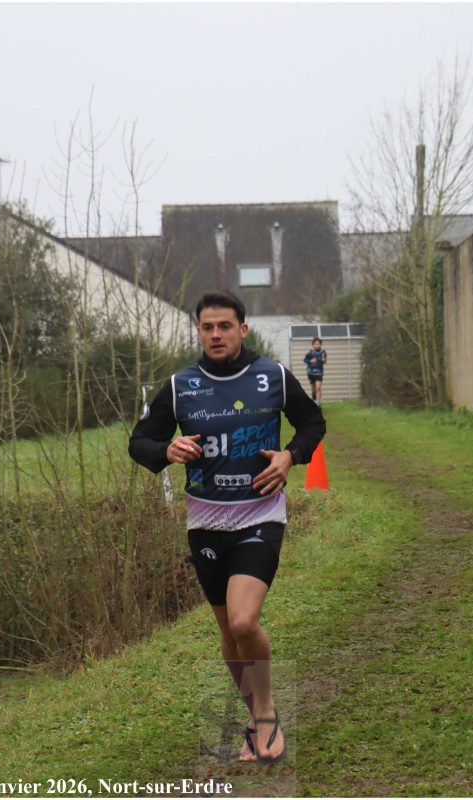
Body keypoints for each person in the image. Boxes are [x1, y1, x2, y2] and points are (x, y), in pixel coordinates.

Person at [128, 290, 325, 765]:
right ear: (198, 331)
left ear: (243, 329)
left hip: (260, 515)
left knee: (243, 621)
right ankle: (257, 720)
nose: (216, 335)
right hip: (205, 522)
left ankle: (266, 715)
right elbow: (140, 442)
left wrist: (289, 456)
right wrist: (167, 450)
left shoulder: (273, 376)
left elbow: (312, 424)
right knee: (227, 629)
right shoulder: (180, 386)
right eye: (207, 327)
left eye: (225, 326)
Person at [303, 337, 327, 405]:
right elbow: (305, 360)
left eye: (319, 344)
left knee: (318, 388)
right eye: (316, 344)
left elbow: (325, 361)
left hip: (319, 373)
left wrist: (324, 360)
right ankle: (314, 401)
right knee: (313, 389)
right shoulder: (310, 352)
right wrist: (310, 361)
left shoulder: (323, 352)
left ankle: (318, 404)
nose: (317, 345)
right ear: (313, 345)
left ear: (320, 344)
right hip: (311, 373)